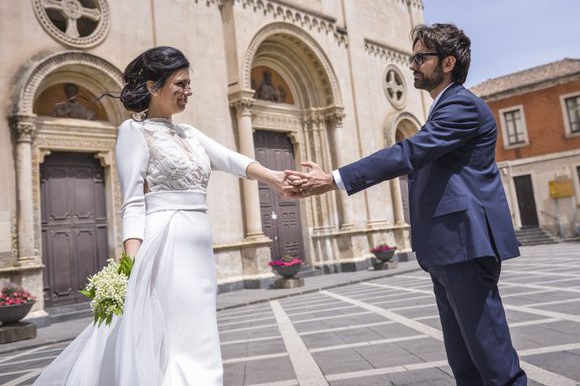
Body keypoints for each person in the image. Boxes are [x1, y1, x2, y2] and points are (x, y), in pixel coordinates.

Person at [285, 23, 527, 385]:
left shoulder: (461, 105)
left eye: (419, 57)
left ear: (447, 62)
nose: (412, 65)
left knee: (493, 362)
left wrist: (333, 179)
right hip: (447, 250)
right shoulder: (443, 107)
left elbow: (408, 152)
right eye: (412, 57)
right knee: (466, 364)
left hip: (465, 246)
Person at [34, 46, 287, 385]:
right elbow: (133, 201)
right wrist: (131, 267)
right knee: (173, 337)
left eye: (188, 84)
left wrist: (275, 177)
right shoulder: (132, 132)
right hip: (165, 244)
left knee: (200, 330)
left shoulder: (190, 134)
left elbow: (232, 160)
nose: (188, 91)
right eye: (180, 84)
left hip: (199, 247)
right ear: (153, 87)